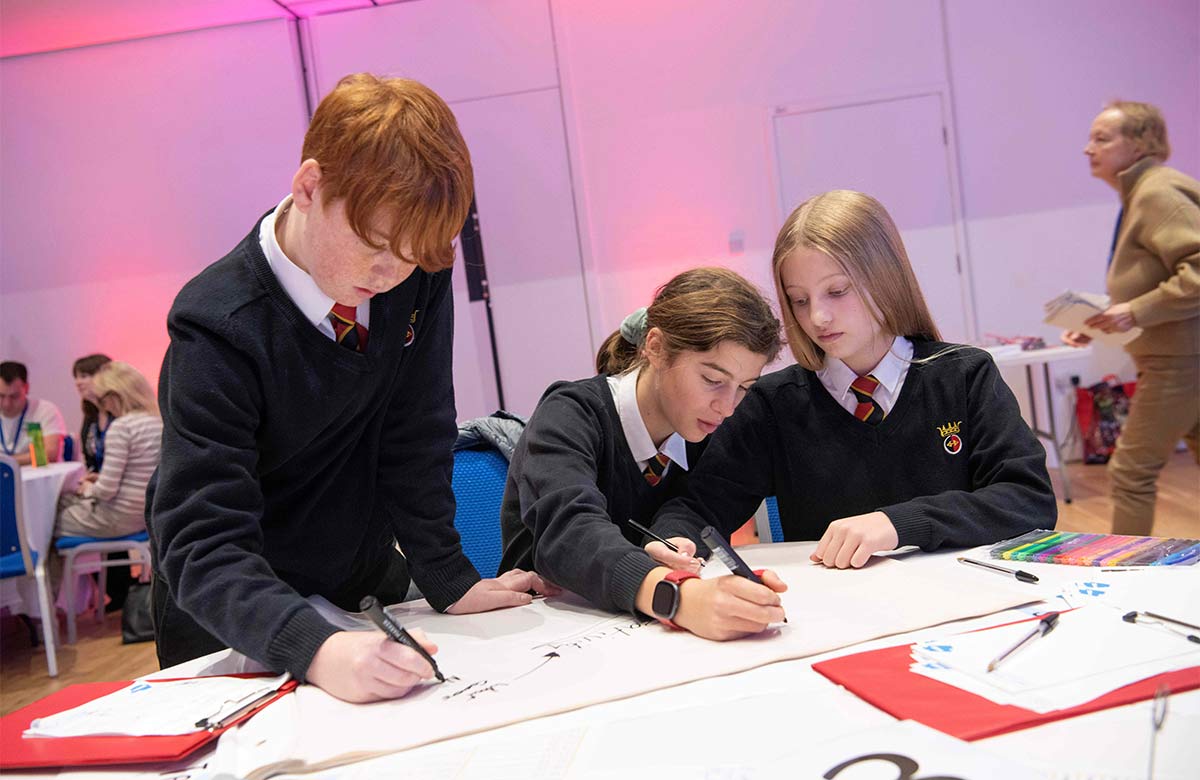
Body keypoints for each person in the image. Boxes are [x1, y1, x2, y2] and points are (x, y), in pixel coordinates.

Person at [148, 73, 550, 704]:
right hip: (237, 621)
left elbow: (415, 426)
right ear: (310, 187)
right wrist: (312, 645)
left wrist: (447, 576)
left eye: (414, 257)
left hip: (358, 589)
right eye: (376, 248)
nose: (391, 277)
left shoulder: (411, 275)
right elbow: (201, 540)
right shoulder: (218, 325)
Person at [653, 190, 1056, 568]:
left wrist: (898, 524)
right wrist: (675, 539)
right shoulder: (773, 405)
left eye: (837, 291)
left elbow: (1027, 500)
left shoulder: (964, 376)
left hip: (968, 604)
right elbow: (696, 507)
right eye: (799, 300)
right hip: (838, 618)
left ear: (885, 277)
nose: (818, 318)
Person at [498, 267, 789, 640]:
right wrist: (678, 595)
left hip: (645, 634)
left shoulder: (707, 425)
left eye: (744, 388)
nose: (727, 407)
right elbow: (570, 533)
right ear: (656, 347)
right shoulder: (569, 414)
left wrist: (671, 541)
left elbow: (697, 507)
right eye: (713, 381)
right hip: (549, 632)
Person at [1064, 101, 1199, 536]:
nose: (1088, 149)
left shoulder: (1156, 192)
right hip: (1181, 356)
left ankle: (1128, 574)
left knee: (1130, 473)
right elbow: (1152, 280)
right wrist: (1096, 322)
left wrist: (1135, 311)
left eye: (1102, 138)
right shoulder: (1142, 193)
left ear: (1141, 143)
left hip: (1179, 362)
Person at [56, 362, 161, 539]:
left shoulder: (121, 427)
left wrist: (88, 488)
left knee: (45, 521)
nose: (104, 407)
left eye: (102, 400)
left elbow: (106, 492)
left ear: (115, 395)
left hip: (117, 518)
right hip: (146, 513)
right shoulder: (157, 420)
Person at [0, 361, 66, 465]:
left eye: (14, 396)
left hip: (39, 478)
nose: (7, 404)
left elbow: (50, 454)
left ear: (26, 388)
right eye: (1, 396)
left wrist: (8, 462)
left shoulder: (44, 411)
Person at [72, 354, 114, 472]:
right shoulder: (91, 415)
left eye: (84, 376)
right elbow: (89, 458)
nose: (78, 382)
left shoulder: (120, 414)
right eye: (76, 377)